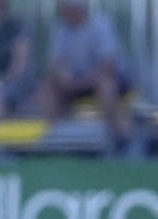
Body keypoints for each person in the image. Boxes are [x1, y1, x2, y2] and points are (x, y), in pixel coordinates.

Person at [35, 0, 132, 145]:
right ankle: (53, 136)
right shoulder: (61, 29)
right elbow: (54, 62)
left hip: (101, 79)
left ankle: (115, 137)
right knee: (47, 88)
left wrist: (84, 81)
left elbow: (109, 64)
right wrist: (62, 75)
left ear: (77, 9)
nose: (63, 13)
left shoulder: (101, 25)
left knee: (106, 85)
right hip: (74, 81)